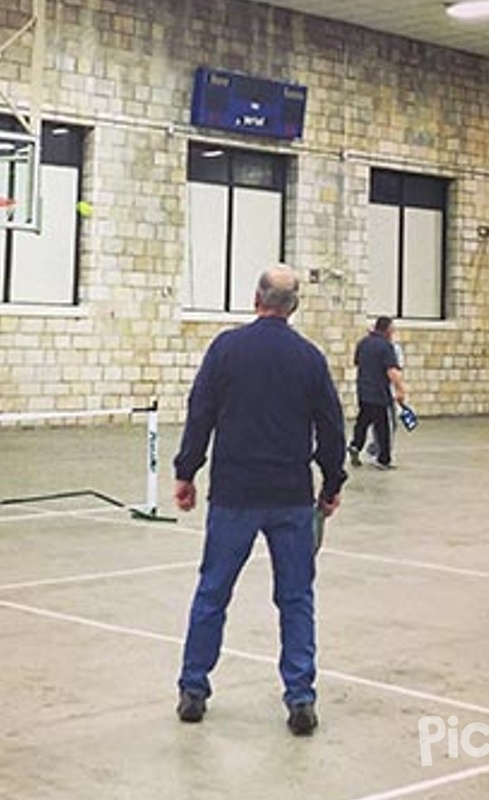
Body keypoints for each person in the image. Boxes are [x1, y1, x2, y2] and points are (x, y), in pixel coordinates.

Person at [173, 265, 347, 736]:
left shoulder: (226, 350)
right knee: (296, 598)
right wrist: (331, 485)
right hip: (290, 497)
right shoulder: (309, 358)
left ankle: (193, 689)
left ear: (256, 299)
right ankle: (300, 698)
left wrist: (186, 471)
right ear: (294, 307)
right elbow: (331, 427)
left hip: (233, 494)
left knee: (213, 591)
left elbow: (201, 412)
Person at [349, 316, 406, 470]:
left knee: (363, 420)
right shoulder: (386, 347)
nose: (393, 331)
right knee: (383, 427)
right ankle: (383, 459)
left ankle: (355, 444)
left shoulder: (363, 343)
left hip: (363, 390)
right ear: (387, 329)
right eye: (392, 328)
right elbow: (391, 371)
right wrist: (400, 390)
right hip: (380, 393)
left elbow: (357, 363)